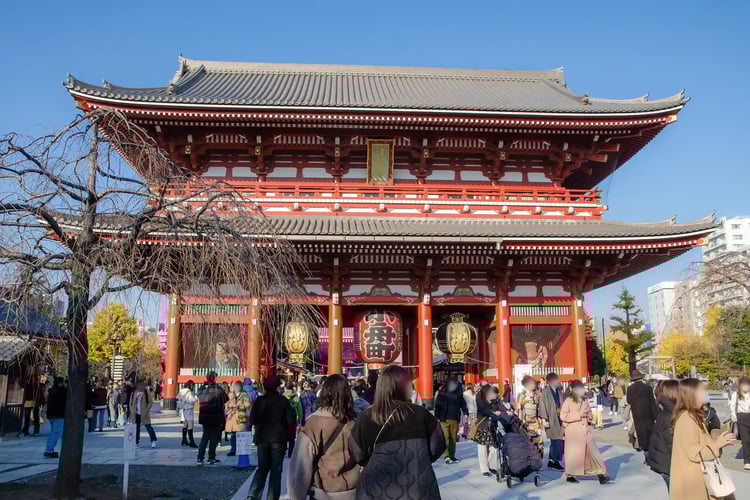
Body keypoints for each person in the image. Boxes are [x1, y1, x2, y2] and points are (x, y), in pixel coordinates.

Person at [351, 365, 446, 499]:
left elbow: (357, 453)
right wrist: (420, 459)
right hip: (418, 486)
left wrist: (375, 461)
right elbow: (438, 445)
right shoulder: (421, 414)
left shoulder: (368, 417)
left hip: (377, 486)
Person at [288, 374, 359, 500]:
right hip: (353, 489)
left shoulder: (314, 423)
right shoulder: (355, 422)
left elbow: (302, 464)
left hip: (323, 491)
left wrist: (296, 495)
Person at [670, 378, 736, 500]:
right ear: (691, 394)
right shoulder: (687, 419)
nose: (705, 393)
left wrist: (720, 442)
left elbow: (700, 443)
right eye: (701, 390)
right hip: (694, 480)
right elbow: (695, 453)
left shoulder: (693, 415)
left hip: (699, 476)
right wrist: (717, 444)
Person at [247, 376, 295, 500]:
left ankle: (253, 495)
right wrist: (290, 437)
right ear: (277, 387)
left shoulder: (259, 401)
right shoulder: (283, 401)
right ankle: (272, 497)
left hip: (262, 438)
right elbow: (291, 420)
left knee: (262, 469)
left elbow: (252, 420)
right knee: (276, 472)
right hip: (278, 439)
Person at [560, 380, 609, 484]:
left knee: (593, 453)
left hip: (585, 431)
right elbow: (563, 416)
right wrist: (579, 415)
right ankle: (570, 475)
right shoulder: (568, 401)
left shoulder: (585, 399)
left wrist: (589, 416)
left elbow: (589, 412)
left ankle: (601, 474)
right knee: (574, 455)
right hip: (574, 432)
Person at [646, 379, 680, 490]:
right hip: (670, 465)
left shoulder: (667, 411)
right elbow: (671, 444)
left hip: (664, 462)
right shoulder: (670, 415)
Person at [434, 375, 467, 464]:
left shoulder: (458, 393)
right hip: (443, 419)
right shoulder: (442, 392)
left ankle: (452, 455)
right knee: (446, 437)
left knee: (453, 438)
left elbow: (463, 404)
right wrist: (437, 417)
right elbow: (438, 405)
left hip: (455, 418)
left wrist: (466, 412)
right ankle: (446, 455)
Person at [196, 372, 226, 465]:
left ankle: (200, 458)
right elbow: (225, 399)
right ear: (215, 378)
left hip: (204, 416)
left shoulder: (201, 389)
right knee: (213, 438)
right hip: (215, 416)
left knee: (204, 437)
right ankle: (211, 458)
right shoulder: (218, 389)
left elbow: (198, 397)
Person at [626, 370, 657, 456]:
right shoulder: (648, 388)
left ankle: (645, 452)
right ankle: (650, 451)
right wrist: (656, 416)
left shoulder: (630, 389)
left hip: (637, 414)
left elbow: (629, 401)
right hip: (648, 414)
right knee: (649, 432)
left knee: (641, 433)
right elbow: (652, 403)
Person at [473, 384, 502, 476]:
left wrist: (507, 411)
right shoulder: (480, 399)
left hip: (493, 427)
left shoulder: (495, 400)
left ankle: (492, 466)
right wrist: (493, 413)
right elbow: (483, 410)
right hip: (482, 427)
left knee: (494, 448)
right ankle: (484, 469)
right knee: (482, 448)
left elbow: (501, 407)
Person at [538, 372, 565, 470]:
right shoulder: (546, 391)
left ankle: (552, 460)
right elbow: (542, 405)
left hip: (560, 418)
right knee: (556, 439)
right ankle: (555, 461)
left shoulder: (559, 391)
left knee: (558, 440)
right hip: (551, 418)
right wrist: (544, 419)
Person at [516, 375, 544, 458]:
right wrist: (525, 401)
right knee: (528, 441)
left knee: (539, 440)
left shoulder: (536, 394)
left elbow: (539, 407)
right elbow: (518, 408)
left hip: (535, 420)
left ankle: (538, 460)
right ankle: (530, 460)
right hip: (526, 421)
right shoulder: (522, 395)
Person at [729, 375, 750, 470]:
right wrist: (734, 418)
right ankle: (747, 461)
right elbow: (732, 406)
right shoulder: (736, 394)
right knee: (745, 440)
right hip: (742, 417)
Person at [129, 381, 157, 448]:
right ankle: (136, 442)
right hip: (136, 414)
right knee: (136, 428)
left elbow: (150, 402)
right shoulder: (133, 393)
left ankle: (153, 440)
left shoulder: (146, 392)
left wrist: (147, 410)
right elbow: (130, 403)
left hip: (144, 413)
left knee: (148, 427)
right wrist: (132, 411)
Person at [226, 381, 250, 457]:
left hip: (241, 416)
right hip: (232, 417)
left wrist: (239, 406)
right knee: (233, 434)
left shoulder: (244, 394)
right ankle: (233, 449)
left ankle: (241, 450)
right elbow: (226, 404)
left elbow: (248, 405)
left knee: (241, 434)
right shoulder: (230, 394)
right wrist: (230, 405)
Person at [43, 377, 66, 458]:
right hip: (58, 415)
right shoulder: (61, 391)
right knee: (56, 433)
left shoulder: (52, 391)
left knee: (53, 432)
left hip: (51, 414)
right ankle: (49, 449)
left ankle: (49, 448)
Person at [177, 381, 198, 448]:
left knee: (185, 425)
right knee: (190, 426)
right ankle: (192, 442)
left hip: (184, 410)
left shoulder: (181, 392)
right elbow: (192, 400)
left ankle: (184, 440)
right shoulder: (188, 392)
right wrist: (196, 397)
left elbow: (178, 398)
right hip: (189, 409)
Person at [285, 381, 303, 458]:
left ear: (285, 387)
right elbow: (299, 410)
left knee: (284, 436)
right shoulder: (296, 397)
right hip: (292, 419)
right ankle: (290, 453)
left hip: (284, 419)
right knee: (292, 437)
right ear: (293, 388)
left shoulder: (282, 396)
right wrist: (300, 419)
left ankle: (282, 452)